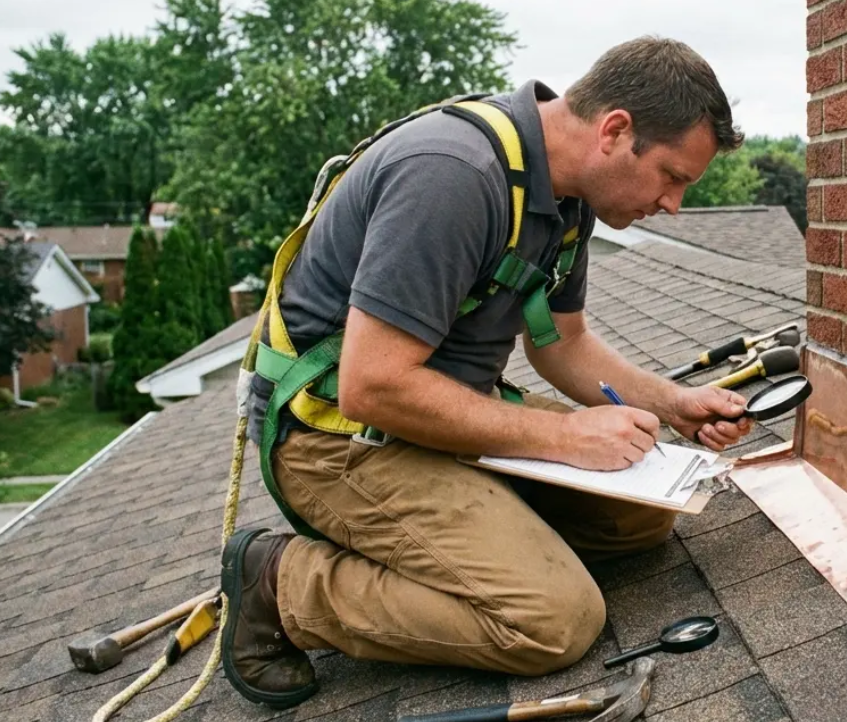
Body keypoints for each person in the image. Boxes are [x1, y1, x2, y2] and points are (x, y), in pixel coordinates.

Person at [220, 37, 756, 708]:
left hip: (441, 418)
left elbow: (562, 343)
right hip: (337, 436)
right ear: (615, 130)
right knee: (554, 621)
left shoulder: (566, 199)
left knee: (640, 517)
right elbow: (372, 383)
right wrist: (563, 440)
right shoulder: (454, 175)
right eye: (673, 177)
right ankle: (282, 583)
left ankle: (489, 539)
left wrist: (675, 403)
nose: (673, 203)